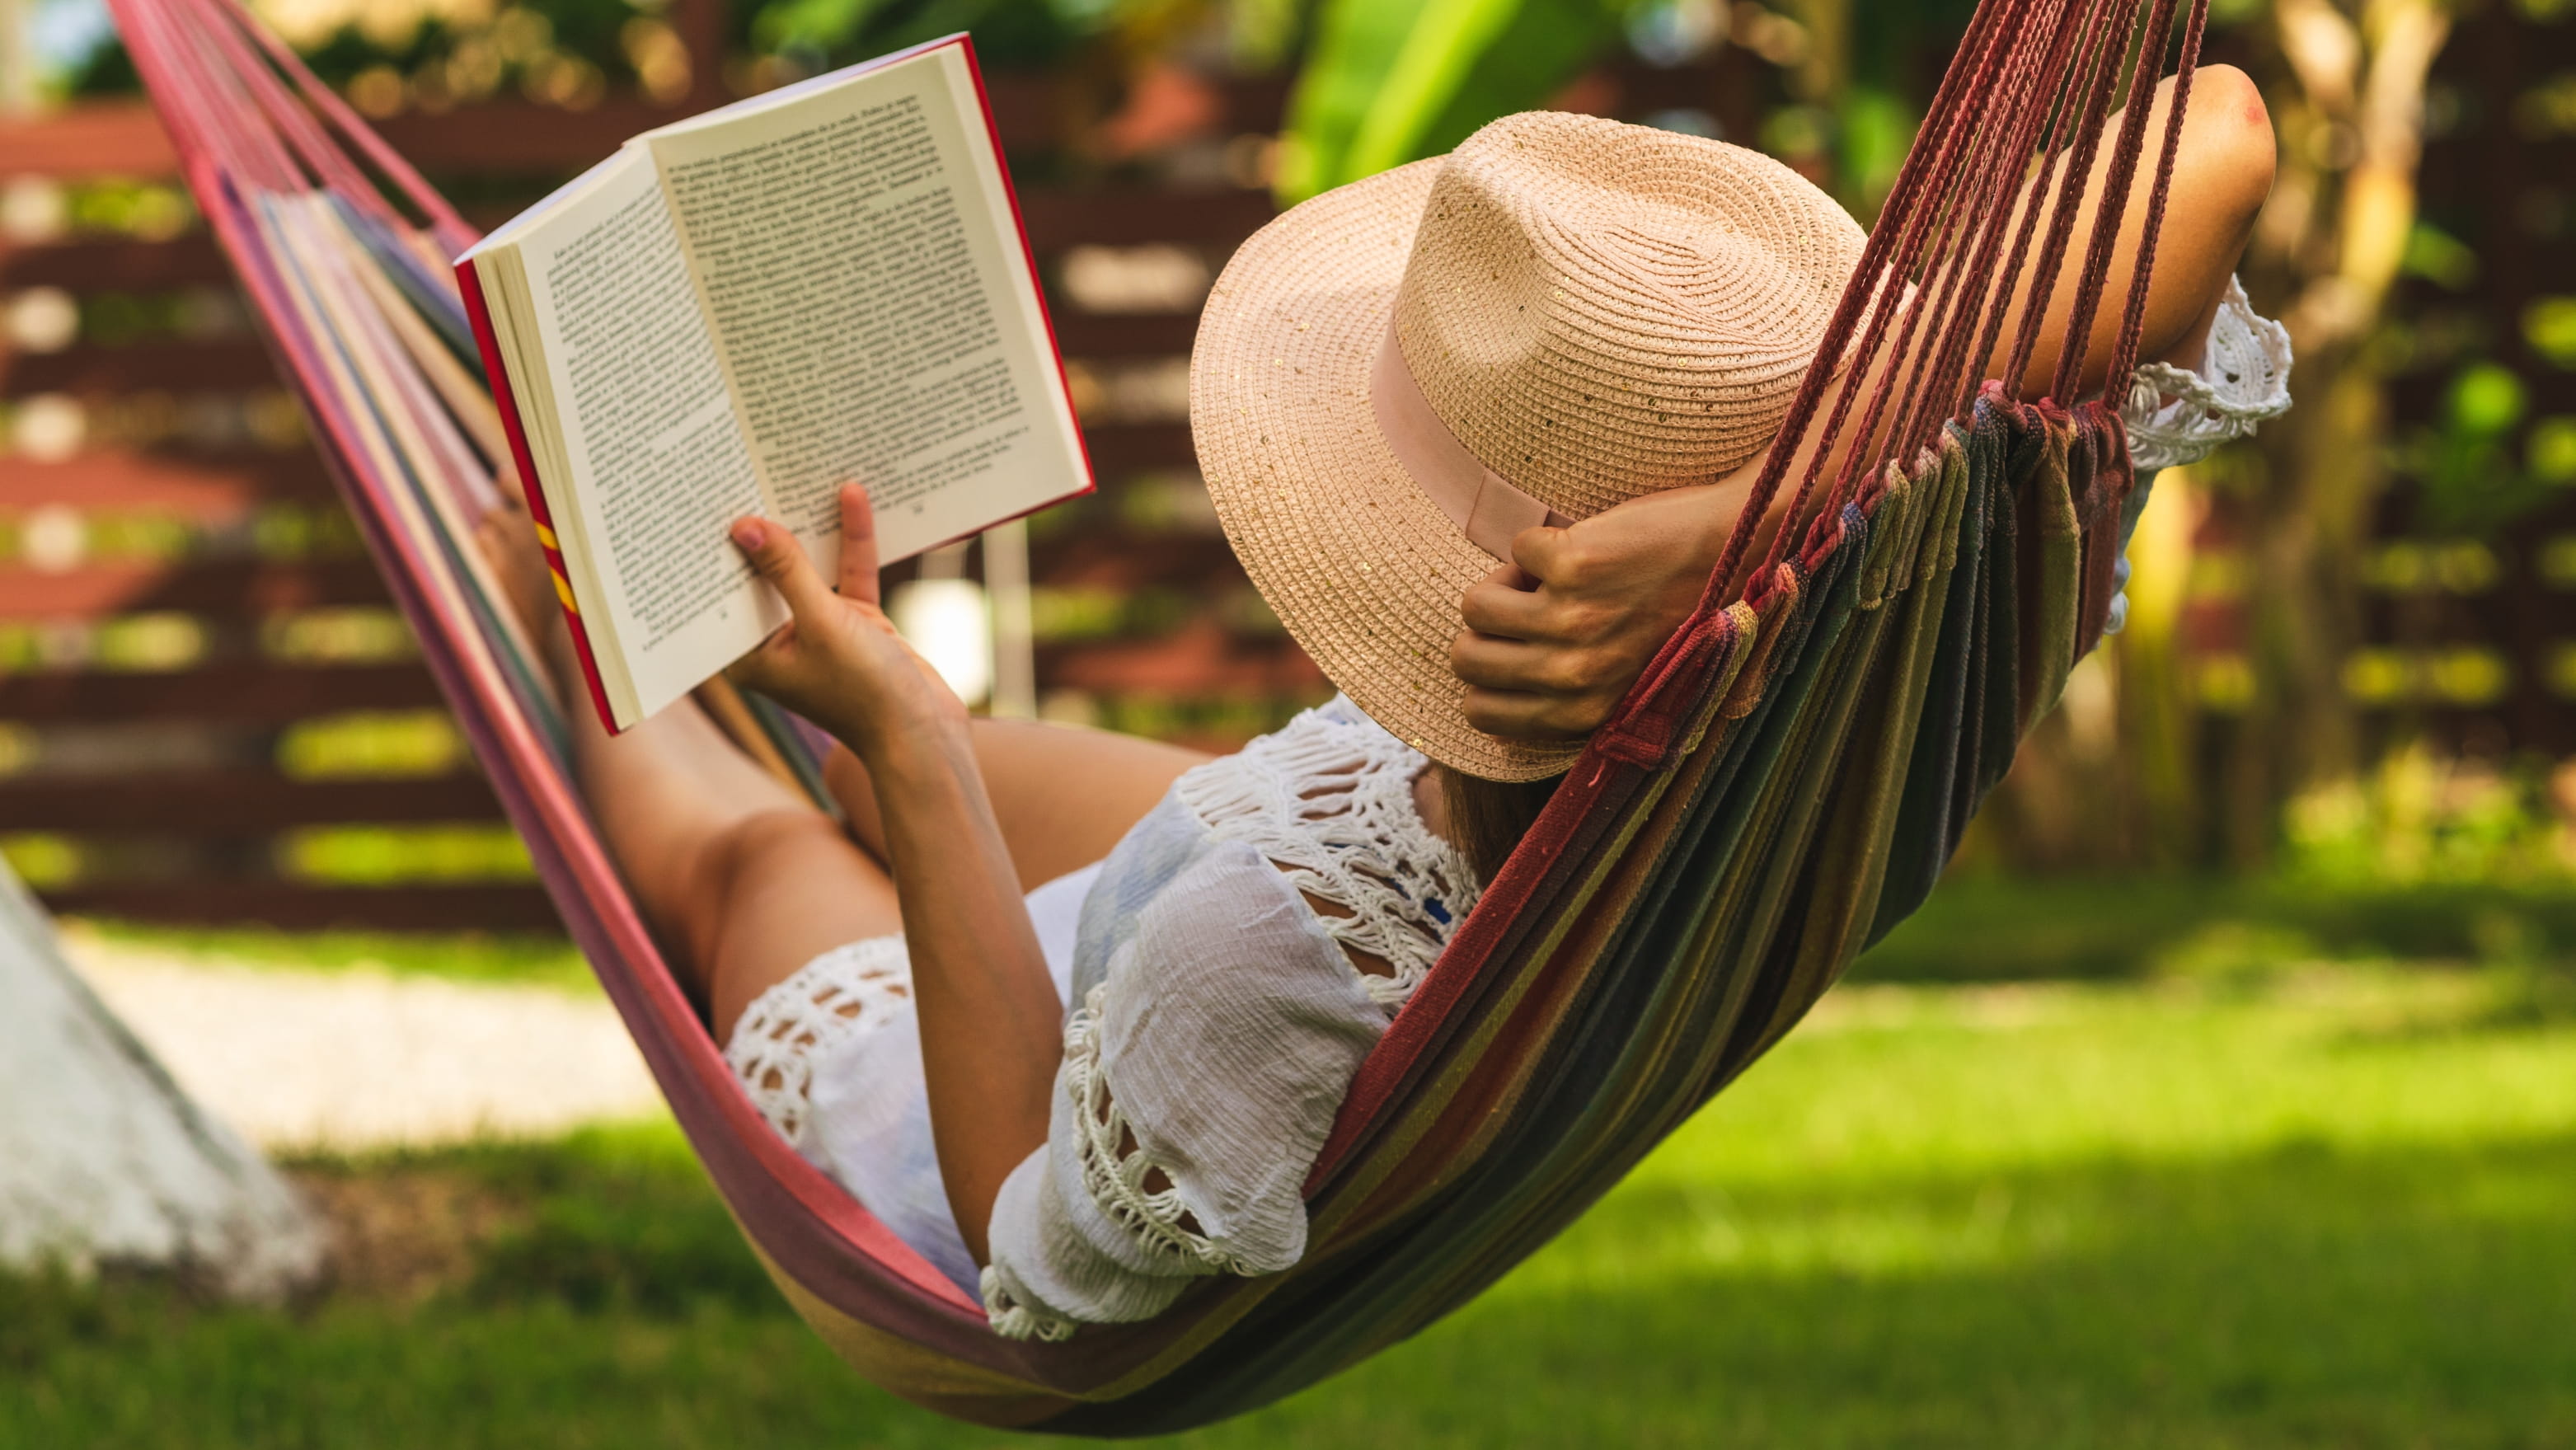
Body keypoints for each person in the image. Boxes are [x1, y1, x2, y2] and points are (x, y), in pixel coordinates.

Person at [484, 71, 2288, 1342]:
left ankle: (542, 592)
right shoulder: (1913, 613)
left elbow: (1026, 1236)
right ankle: (795, 671)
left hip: (1042, 1060)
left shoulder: (1255, 972)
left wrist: (905, 744)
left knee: (762, 852)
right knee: (872, 757)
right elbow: (2223, 131)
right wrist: (1764, 519)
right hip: (1318, 821)